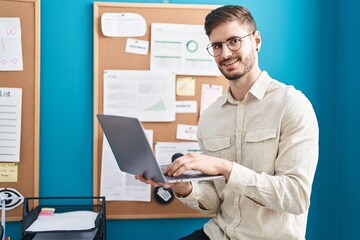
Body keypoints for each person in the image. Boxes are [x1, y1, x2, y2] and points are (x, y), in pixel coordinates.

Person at [136, 5, 318, 240]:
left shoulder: (292, 105)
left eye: (234, 41)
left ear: (257, 40)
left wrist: (226, 168)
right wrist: (181, 186)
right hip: (219, 233)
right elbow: (215, 202)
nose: (225, 53)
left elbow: (296, 197)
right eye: (217, 46)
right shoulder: (211, 117)